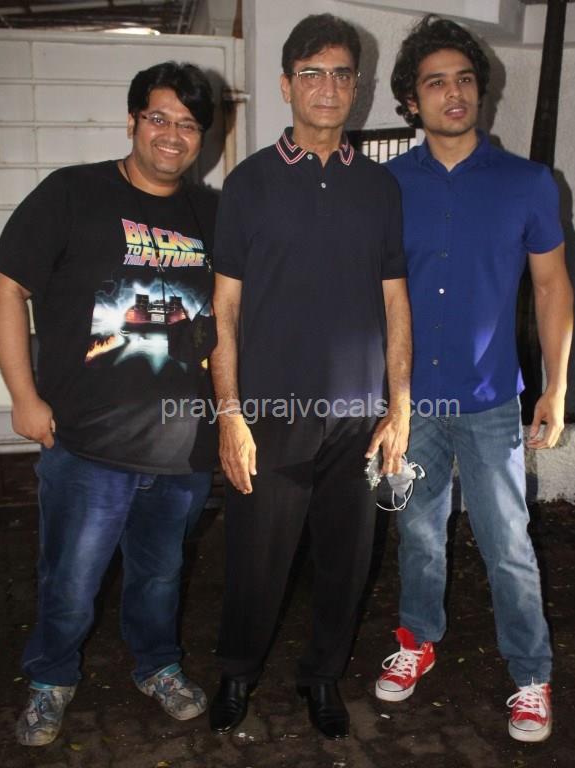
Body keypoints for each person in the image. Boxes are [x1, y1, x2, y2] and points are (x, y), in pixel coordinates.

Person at [0, 61, 219, 747]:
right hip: (87, 444)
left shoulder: (213, 214)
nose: (172, 134)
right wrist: (22, 396)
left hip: (183, 447)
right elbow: (4, 287)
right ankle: (50, 678)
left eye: (188, 124)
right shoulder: (72, 192)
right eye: (158, 117)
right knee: (70, 579)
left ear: (202, 137)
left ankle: (158, 665)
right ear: (132, 121)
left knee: (161, 574)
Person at [209, 14, 411, 740]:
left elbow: (396, 301)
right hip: (269, 417)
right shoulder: (249, 183)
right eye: (312, 73)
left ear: (357, 87)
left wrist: (399, 407)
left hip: (358, 421)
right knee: (255, 562)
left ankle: (323, 676)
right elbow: (224, 308)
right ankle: (237, 671)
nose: (328, 87)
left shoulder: (380, 187)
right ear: (287, 84)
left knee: (348, 564)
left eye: (341, 74)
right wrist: (229, 414)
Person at [374, 16, 573, 743]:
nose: (453, 93)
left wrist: (555, 387)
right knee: (418, 535)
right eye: (435, 82)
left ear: (480, 92)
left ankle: (531, 675)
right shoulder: (386, 186)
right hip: (411, 404)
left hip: (491, 402)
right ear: (411, 100)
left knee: (508, 544)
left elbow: (553, 288)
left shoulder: (528, 183)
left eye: (464, 79)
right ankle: (418, 639)